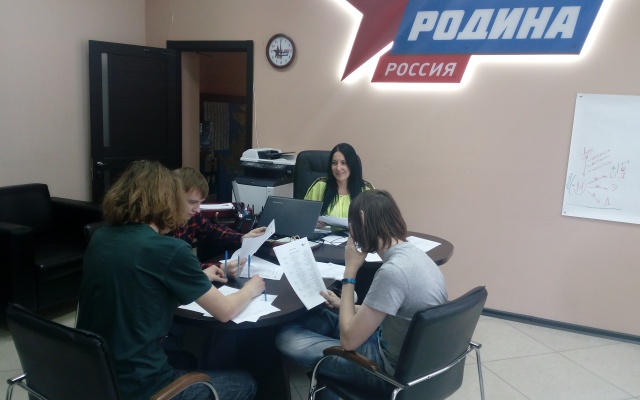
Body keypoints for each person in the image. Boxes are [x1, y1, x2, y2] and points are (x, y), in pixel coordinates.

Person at [76, 160, 265, 400]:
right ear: (168, 201)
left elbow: (140, 286)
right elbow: (225, 311)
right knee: (245, 382)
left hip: (93, 372)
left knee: (187, 357)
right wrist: (251, 289)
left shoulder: (101, 237)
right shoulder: (168, 249)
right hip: (140, 385)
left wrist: (198, 275)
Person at [275, 189, 447, 399]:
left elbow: (348, 343)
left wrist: (350, 270)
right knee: (315, 317)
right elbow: (389, 310)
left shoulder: (393, 272)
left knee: (287, 339)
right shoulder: (416, 255)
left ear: (362, 220)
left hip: (388, 371)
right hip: (413, 357)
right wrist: (343, 304)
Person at [167, 167, 266, 281]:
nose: (197, 209)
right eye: (192, 202)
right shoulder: (161, 226)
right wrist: (220, 268)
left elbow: (210, 230)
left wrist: (241, 238)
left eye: (200, 203)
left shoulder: (192, 215)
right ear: (173, 198)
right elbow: (178, 268)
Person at [304, 143, 373, 228]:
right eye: (334, 163)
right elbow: (303, 216)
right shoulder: (320, 186)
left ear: (352, 165)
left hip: (354, 236)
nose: (338, 168)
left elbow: (375, 224)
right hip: (323, 235)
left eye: (343, 163)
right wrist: (311, 222)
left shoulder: (366, 190)